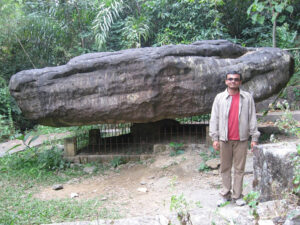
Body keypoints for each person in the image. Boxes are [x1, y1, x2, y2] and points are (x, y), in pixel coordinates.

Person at [209, 71, 260, 206]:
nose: (233, 81)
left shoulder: (247, 98)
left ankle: (237, 196)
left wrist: (254, 138)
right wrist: (215, 137)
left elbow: (252, 118)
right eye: (230, 79)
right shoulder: (219, 98)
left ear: (240, 82)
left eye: (236, 79)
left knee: (239, 169)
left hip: (241, 139)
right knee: (225, 168)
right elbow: (214, 118)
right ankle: (225, 194)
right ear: (226, 81)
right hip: (224, 139)